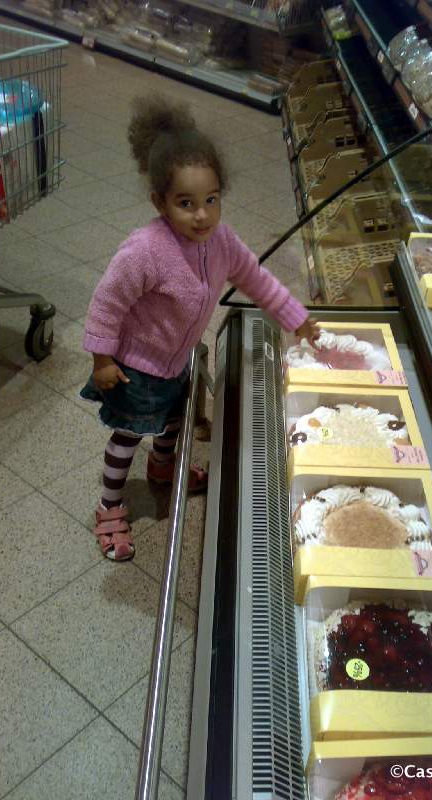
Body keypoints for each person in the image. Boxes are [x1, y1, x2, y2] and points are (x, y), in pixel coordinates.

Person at [81, 95, 319, 562]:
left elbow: (257, 279)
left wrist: (297, 317)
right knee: (127, 435)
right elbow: (108, 302)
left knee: (174, 421)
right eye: (185, 203)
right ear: (160, 201)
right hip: (134, 368)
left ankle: (163, 467)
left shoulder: (222, 241)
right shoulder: (146, 250)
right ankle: (109, 506)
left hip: (178, 360)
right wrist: (102, 359)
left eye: (211, 200)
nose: (202, 215)